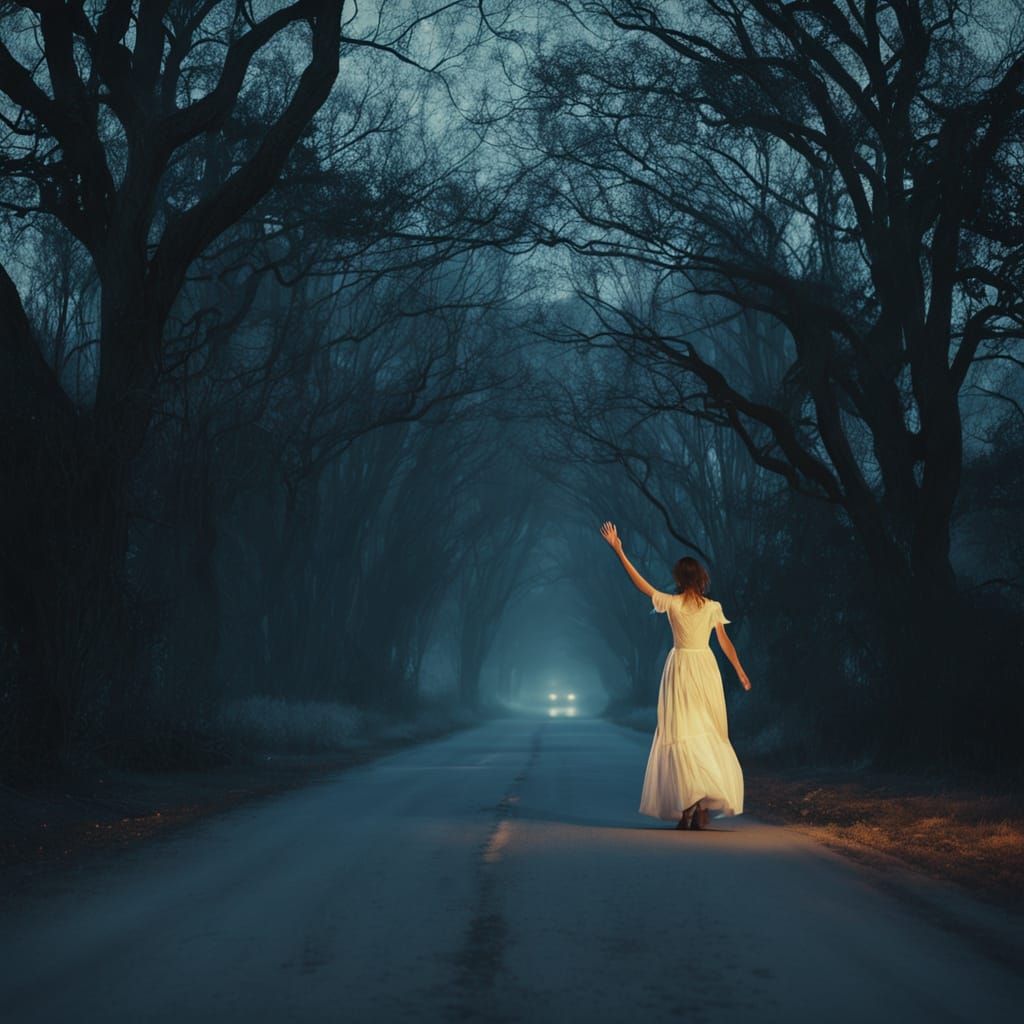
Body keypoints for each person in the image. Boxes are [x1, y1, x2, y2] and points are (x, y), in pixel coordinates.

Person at [600, 522, 751, 830]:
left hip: (685, 668)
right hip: (696, 669)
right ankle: (694, 806)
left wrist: (619, 551)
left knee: (694, 734)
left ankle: (694, 807)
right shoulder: (697, 605)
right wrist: (739, 671)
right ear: (701, 578)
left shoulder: (690, 605)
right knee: (694, 734)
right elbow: (724, 642)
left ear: (680, 579)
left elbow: (642, 585)